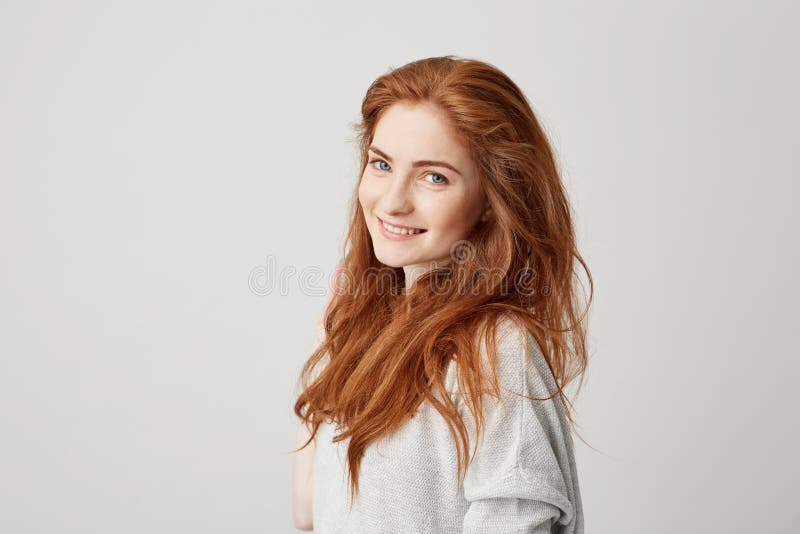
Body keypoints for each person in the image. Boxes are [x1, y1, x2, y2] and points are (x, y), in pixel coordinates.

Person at [292, 55, 592, 533]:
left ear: (492, 203)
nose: (392, 201)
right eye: (381, 164)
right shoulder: (361, 325)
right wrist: (330, 347)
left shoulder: (497, 349)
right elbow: (310, 512)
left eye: (435, 177)